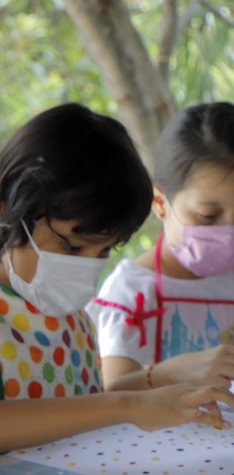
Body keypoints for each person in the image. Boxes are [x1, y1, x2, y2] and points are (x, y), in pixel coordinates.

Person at [0, 104, 234, 467]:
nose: (87, 264)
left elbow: (86, 402)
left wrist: (160, 381)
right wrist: (129, 405)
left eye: (104, 250)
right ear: (5, 206)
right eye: (72, 246)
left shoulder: (73, 318)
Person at [89, 102, 234, 390]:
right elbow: (113, 393)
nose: (227, 232)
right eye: (208, 216)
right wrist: (172, 373)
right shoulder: (131, 293)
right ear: (159, 203)